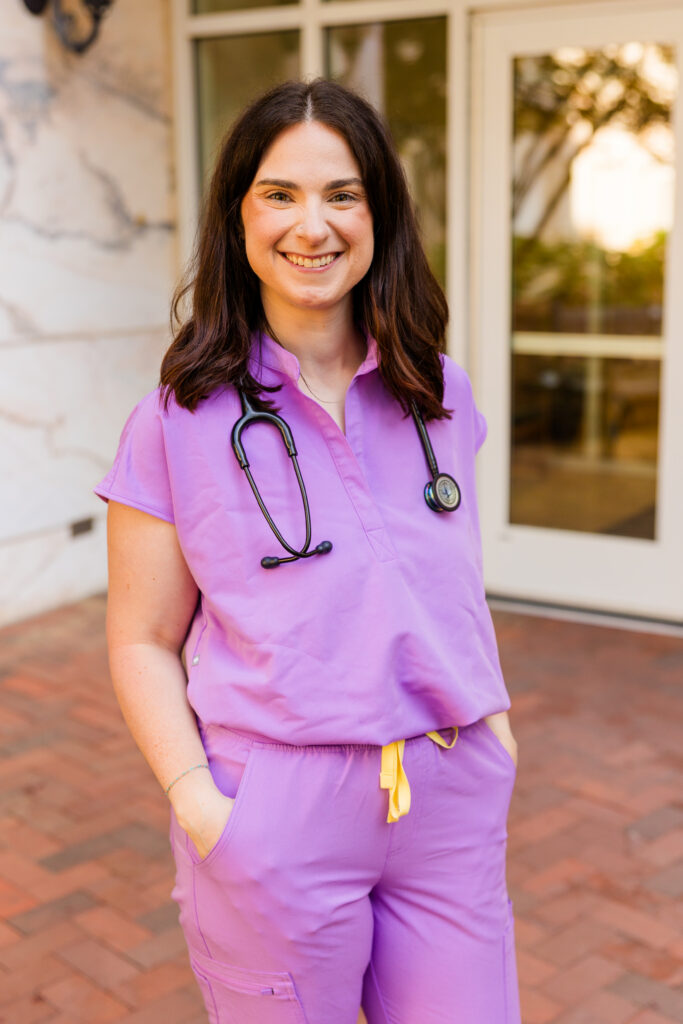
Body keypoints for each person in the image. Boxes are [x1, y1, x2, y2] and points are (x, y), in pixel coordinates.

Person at [94, 78, 521, 1024]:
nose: (311, 225)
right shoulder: (176, 421)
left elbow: (447, 578)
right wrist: (202, 805)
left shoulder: (436, 391)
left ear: (379, 214)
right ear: (237, 217)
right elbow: (139, 640)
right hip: (275, 814)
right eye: (279, 194)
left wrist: (493, 726)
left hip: (446, 798)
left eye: (342, 194)